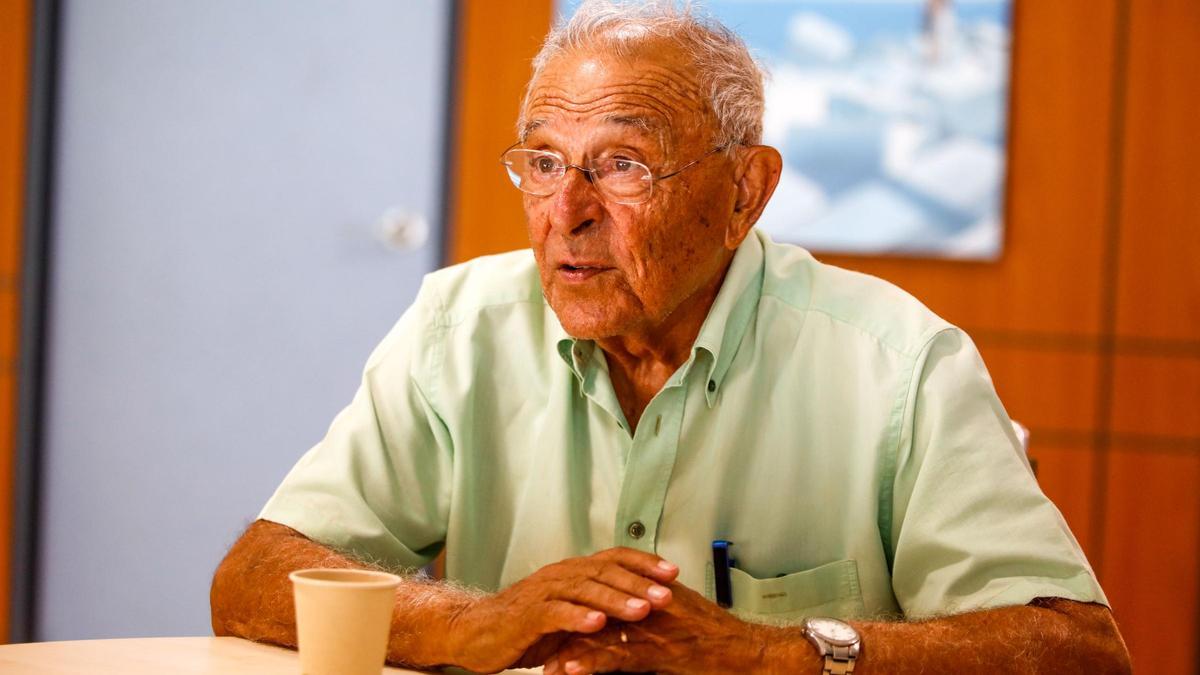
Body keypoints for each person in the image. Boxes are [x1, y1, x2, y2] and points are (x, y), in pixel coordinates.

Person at [210, 2, 1131, 673]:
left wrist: (772, 656)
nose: (564, 213)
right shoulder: (460, 326)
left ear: (745, 193)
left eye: (621, 164)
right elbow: (254, 575)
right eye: (542, 162)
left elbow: (1079, 650)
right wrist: (474, 622)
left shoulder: (898, 363)